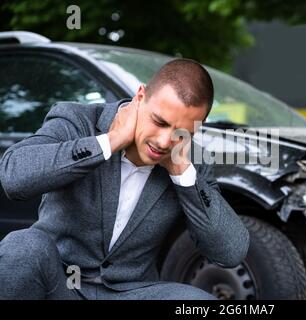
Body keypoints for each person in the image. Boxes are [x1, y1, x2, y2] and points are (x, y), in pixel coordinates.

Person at [0, 58, 249, 300]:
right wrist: (110, 142)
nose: (164, 142)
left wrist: (181, 171)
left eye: (182, 132)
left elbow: (231, 251)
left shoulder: (190, 160)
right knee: (23, 247)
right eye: (159, 122)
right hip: (59, 284)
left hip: (130, 292)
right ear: (140, 97)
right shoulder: (78, 120)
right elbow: (14, 176)